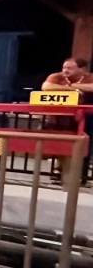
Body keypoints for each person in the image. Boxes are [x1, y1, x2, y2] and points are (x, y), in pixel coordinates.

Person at [42, 57, 93, 185]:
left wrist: (75, 85)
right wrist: (72, 89)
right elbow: (46, 86)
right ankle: (59, 171)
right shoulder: (57, 76)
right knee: (61, 144)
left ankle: (80, 176)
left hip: (87, 117)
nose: (65, 70)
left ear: (82, 69)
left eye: (70, 68)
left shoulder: (89, 77)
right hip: (62, 117)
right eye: (64, 67)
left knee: (83, 145)